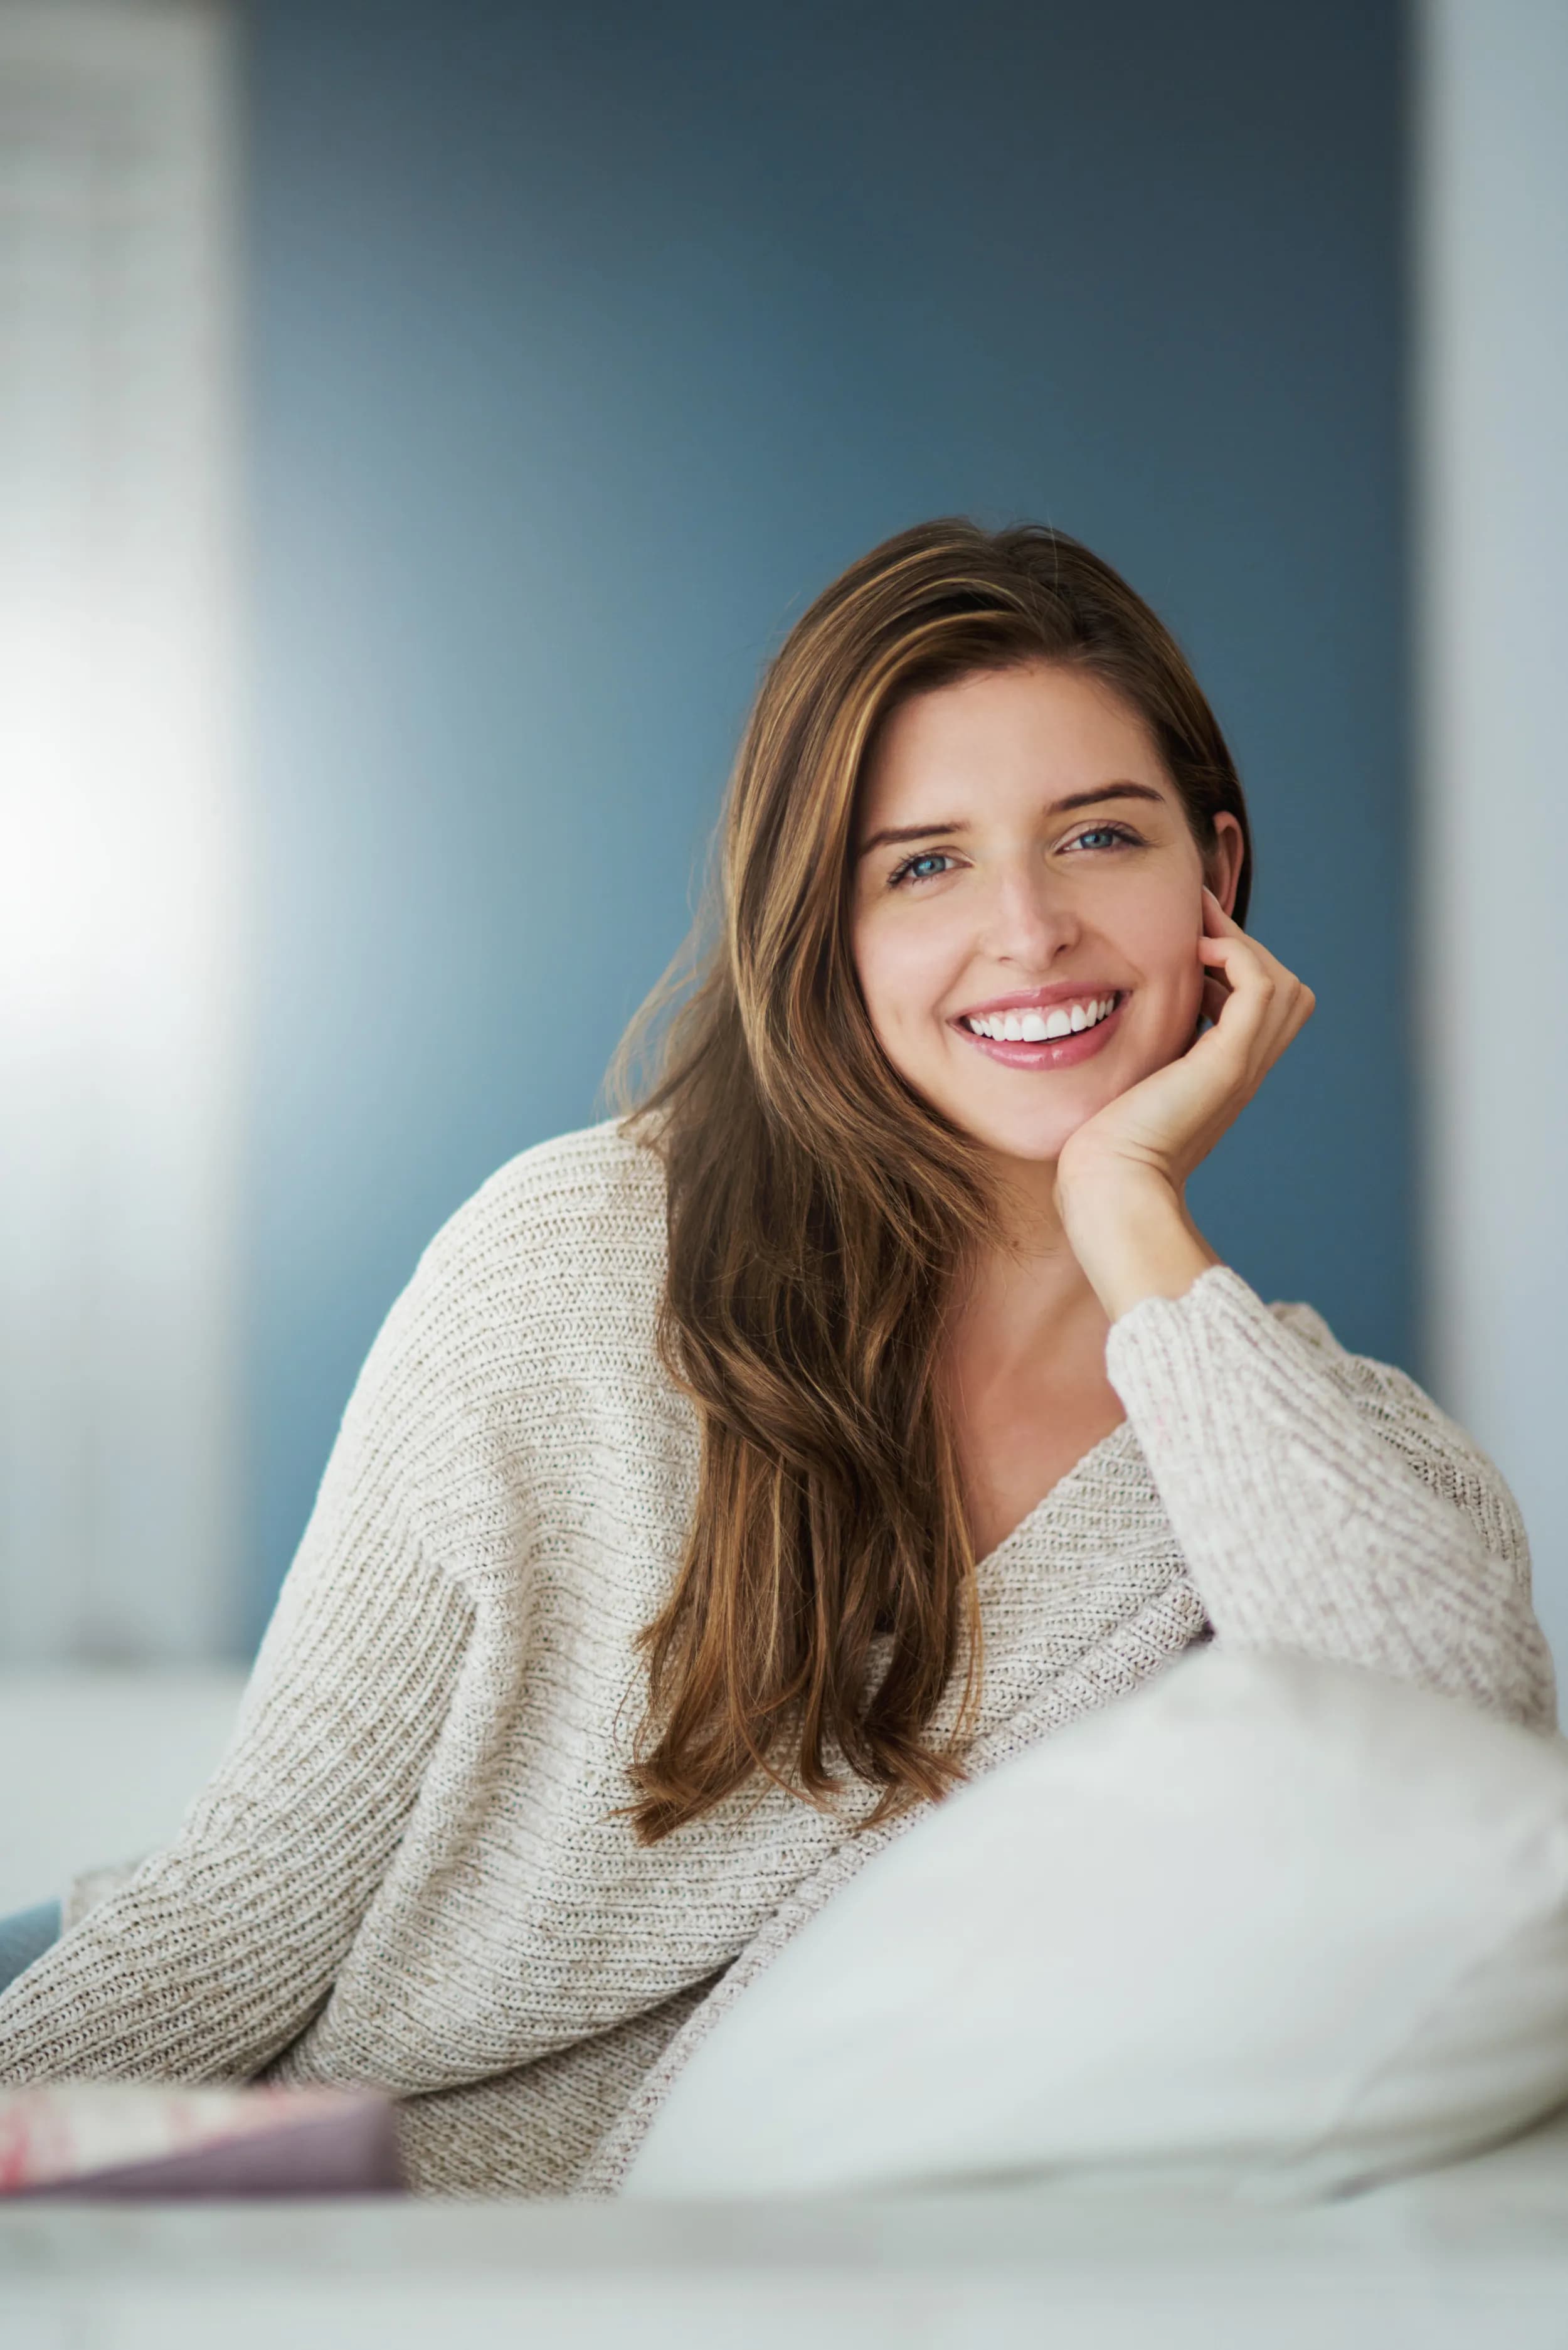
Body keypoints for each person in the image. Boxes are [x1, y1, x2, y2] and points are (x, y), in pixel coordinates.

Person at [0, 521, 1554, 2196]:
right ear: (824, 924)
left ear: (1216, 881)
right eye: (924, 864)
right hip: (316, 2176)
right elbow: (242, 1906)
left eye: (1097, 836)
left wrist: (1128, 1209)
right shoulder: (579, 1267)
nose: (1027, 929)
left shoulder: (1314, 1451)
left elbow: (1464, 1808)